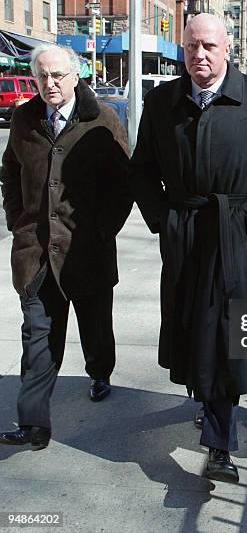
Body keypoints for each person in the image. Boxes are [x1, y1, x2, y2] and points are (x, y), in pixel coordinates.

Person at [129, 13, 247, 483]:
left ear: (227, 49)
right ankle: (205, 401)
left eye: (208, 46)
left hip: (236, 237)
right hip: (185, 235)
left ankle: (220, 446)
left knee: (228, 336)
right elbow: (141, 170)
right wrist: (164, 218)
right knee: (192, 331)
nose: (198, 56)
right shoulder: (163, 102)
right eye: (190, 47)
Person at [0, 45, 132, 450]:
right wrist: (18, 222)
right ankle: (34, 423)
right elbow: (10, 173)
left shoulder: (102, 120)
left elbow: (122, 187)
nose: (49, 83)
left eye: (57, 75)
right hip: (36, 253)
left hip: (86, 250)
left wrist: (100, 232)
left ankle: (99, 372)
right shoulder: (24, 118)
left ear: (76, 77)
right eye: (42, 76)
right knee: (38, 337)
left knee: (95, 327)